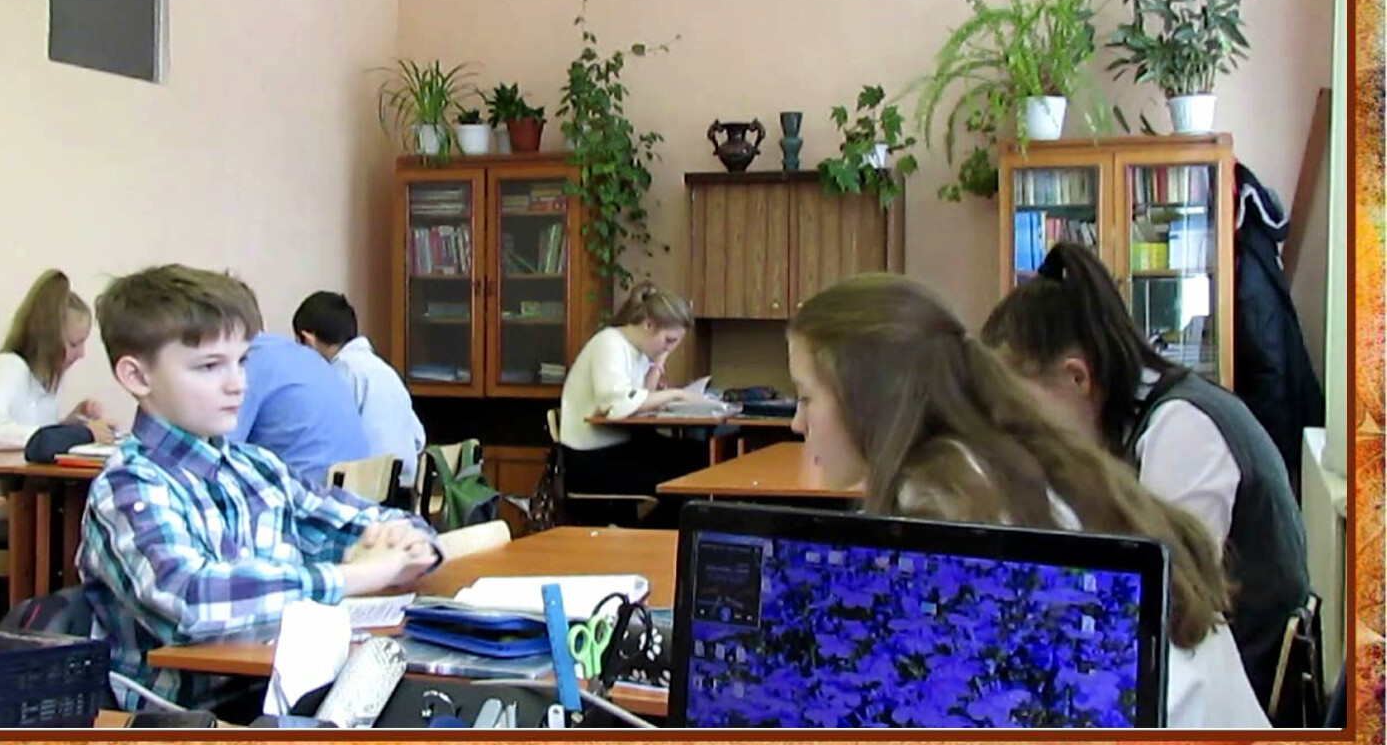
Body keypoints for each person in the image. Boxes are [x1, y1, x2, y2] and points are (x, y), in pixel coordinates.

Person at [786, 272, 1269, 728]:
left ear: (867, 398)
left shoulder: (944, 506)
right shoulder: (1003, 461)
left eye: (806, 397)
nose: (796, 423)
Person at [77, 264, 440, 716]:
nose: (237, 383)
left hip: (280, 695)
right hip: (183, 719)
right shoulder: (129, 486)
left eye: (243, 361)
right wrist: (355, 576)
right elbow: (191, 600)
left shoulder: (258, 469)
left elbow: (367, 522)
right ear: (137, 377)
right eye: (210, 366)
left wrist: (410, 542)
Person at [981, 242, 1309, 710]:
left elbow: (1162, 605)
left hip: (1231, 695)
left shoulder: (1184, 428)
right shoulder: (1141, 421)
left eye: (1022, 414)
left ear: (1077, 378)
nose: (1023, 437)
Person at [0, 268, 114, 541]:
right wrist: (79, 435)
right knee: (89, 526)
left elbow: (29, 439)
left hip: (24, 503)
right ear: (49, 340)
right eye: (75, 343)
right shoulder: (10, 367)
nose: (81, 354)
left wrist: (68, 423)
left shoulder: (39, 381)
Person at [558, 281, 710, 516]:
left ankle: (665, 533)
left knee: (702, 459)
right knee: (682, 487)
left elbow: (642, 396)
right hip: (592, 457)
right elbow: (617, 405)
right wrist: (676, 394)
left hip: (622, 444)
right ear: (648, 325)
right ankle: (657, 536)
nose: (668, 348)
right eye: (669, 341)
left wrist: (658, 362)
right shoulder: (609, 343)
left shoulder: (638, 350)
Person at [226, 282, 371, 486]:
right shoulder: (311, 357)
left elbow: (218, 451)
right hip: (360, 490)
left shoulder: (250, 361)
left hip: (308, 492)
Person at [292, 291, 426, 492]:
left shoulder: (342, 371)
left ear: (307, 340)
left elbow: (324, 441)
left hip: (365, 495)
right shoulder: (383, 370)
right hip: (403, 491)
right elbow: (419, 439)